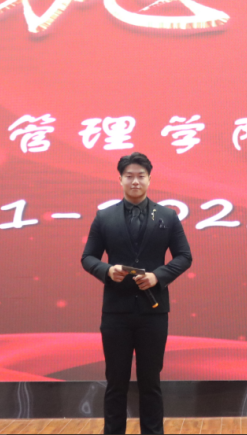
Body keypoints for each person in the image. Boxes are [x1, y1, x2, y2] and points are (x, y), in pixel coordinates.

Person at [82, 152, 192, 435]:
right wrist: (107, 270)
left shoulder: (167, 216)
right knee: (115, 382)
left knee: (150, 382)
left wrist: (158, 276)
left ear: (149, 180)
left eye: (140, 176)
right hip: (115, 313)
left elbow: (184, 256)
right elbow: (88, 257)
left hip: (153, 312)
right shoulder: (104, 217)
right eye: (129, 176)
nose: (135, 181)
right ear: (120, 180)